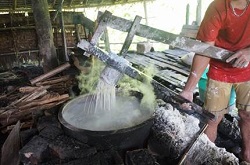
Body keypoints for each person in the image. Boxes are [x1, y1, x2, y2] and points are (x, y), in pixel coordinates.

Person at [179, 0, 250, 163]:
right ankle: (208, 158)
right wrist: (189, 89)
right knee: (211, 117)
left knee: (247, 115)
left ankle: (247, 156)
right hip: (220, 68)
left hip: (249, 68)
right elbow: (204, 50)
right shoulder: (218, 7)